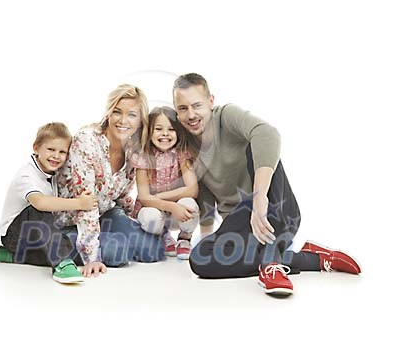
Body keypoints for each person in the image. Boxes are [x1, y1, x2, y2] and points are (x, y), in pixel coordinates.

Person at [172, 73, 361, 296]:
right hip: (243, 226)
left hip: (276, 207)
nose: (191, 114)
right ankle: (308, 258)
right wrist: (210, 237)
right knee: (199, 258)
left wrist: (259, 199)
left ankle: (271, 264)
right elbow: (205, 198)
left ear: (211, 102)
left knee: (259, 146)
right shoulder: (186, 146)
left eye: (197, 105)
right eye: (183, 108)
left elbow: (268, 134)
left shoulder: (226, 116)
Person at [56, 84, 165, 278]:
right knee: (117, 251)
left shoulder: (134, 149)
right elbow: (85, 205)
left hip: (104, 213)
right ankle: (59, 244)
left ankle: (110, 239)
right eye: (117, 112)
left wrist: (133, 222)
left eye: (132, 114)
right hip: (71, 219)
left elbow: (123, 196)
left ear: (141, 120)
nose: (123, 120)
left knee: (154, 249)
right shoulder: (87, 141)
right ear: (108, 113)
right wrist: (92, 258)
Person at [0, 122, 97, 283]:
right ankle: (61, 263)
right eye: (51, 149)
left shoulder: (53, 174)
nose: (56, 156)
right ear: (36, 148)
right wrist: (80, 203)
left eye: (62, 152)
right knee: (38, 209)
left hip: (37, 236)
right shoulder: (26, 176)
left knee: (75, 247)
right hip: (14, 235)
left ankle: (13, 256)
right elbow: (40, 203)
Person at [132, 106, 199, 260]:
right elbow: (144, 197)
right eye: (158, 129)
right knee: (150, 217)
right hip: (154, 210)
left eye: (171, 129)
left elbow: (192, 189)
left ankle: (184, 238)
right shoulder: (144, 157)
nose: (165, 134)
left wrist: (160, 197)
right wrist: (171, 205)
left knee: (190, 204)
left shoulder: (181, 153)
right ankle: (163, 235)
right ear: (149, 132)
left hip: (176, 213)